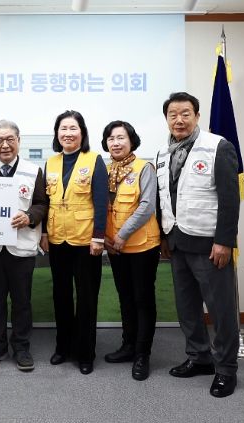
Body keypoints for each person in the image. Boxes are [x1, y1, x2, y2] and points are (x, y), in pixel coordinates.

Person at [156, 92, 240, 398]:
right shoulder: (162, 153)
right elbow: (163, 197)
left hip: (209, 245)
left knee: (221, 310)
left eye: (185, 113)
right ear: (167, 119)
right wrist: (164, 237)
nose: (179, 120)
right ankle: (199, 357)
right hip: (177, 242)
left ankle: (226, 369)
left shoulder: (218, 146)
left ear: (197, 116)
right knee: (187, 308)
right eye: (173, 115)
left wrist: (224, 241)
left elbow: (230, 199)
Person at [0, 120, 48, 372]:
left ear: (19, 141)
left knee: (22, 301)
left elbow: (42, 204)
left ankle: (21, 347)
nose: (4, 145)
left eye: (9, 139)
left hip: (21, 246)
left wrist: (29, 217)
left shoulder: (33, 171)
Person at [40, 110, 108, 375]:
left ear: (82, 132)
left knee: (87, 299)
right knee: (61, 296)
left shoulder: (94, 160)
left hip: (85, 241)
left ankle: (85, 353)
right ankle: (63, 347)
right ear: (57, 134)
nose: (68, 133)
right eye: (63, 129)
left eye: (73, 128)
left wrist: (99, 237)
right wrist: (44, 234)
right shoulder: (51, 162)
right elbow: (45, 202)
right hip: (57, 238)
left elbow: (101, 202)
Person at [101, 120, 161, 381]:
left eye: (121, 138)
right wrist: (105, 238)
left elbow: (147, 206)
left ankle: (142, 354)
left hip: (142, 246)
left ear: (131, 141)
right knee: (125, 297)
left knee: (142, 300)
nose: (116, 143)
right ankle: (128, 346)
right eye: (111, 138)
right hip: (115, 247)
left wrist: (121, 235)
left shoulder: (143, 168)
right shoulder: (105, 171)